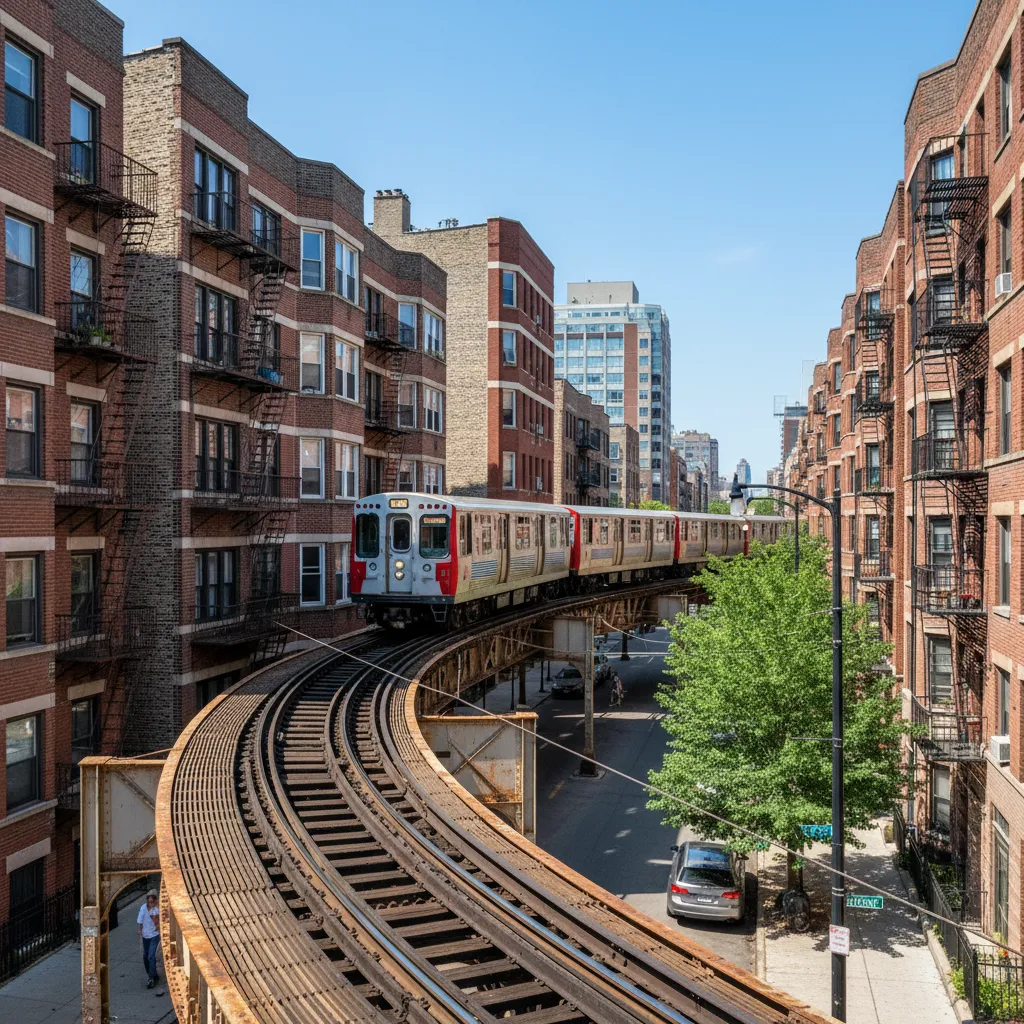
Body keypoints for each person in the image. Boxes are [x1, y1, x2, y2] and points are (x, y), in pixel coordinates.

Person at [137, 889, 161, 988]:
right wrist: (139, 929)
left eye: (152, 901)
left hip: (155, 935)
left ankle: (151, 978)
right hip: (145, 935)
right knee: (145, 956)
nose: (150, 903)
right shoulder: (143, 908)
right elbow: (140, 920)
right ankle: (153, 974)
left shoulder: (158, 908)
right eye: (149, 901)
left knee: (151, 956)